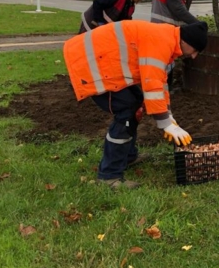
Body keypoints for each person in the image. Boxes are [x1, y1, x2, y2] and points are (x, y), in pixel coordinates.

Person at [63, 20, 209, 189]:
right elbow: (151, 82)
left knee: (135, 105)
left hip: (102, 63)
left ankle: (128, 156)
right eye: (195, 50)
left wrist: (168, 116)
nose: (194, 56)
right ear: (185, 42)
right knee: (126, 111)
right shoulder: (161, 42)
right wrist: (164, 122)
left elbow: (160, 83)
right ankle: (109, 175)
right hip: (92, 67)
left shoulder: (167, 39)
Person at [79, 0, 146, 33]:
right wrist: (100, 22)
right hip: (90, 23)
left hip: (101, 29)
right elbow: (97, 3)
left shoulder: (131, 6)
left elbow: (124, 23)